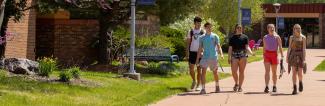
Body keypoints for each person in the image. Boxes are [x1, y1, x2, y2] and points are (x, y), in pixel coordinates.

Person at [196, 22, 223, 94]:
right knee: (203, 72)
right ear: (205, 28)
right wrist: (197, 59)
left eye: (210, 27)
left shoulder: (215, 36)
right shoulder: (201, 37)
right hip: (205, 57)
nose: (209, 28)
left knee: (215, 72)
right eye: (208, 27)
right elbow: (199, 48)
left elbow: (218, 46)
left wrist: (221, 54)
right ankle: (203, 89)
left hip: (213, 57)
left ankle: (217, 86)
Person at [228, 24, 254, 92]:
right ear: (235, 29)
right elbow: (230, 48)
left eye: (240, 28)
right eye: (238, 28)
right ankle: (236, 83)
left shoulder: (245, 37)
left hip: (243, 55)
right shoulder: (232, 38)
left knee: (241, 72)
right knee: (233, 72)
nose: (239, 29)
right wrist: (229, 57)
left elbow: (247, 47)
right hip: (234, 55)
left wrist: (251, 52)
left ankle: (240, 86)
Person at [263, 24, 284, 93]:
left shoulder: (277, 37)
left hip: (274, 55)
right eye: (270, 28)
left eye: (273, 28)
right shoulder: (265, 37)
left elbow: (280, 47)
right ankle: (266, 86)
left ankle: (274, 86)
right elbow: (264, 47)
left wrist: (282, 56)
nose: (272, 29)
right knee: (267, 71)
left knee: (274, 72)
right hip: (267, 55)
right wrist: (264, 55)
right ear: (268, 29)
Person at [287, 24, 306, 95]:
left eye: (299, 28)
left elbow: (304, 49)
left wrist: (304, 59)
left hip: (300, 55)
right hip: (293, 56)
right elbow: (289, 48)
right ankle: (294, 87)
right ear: (294, 29)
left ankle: (300, 82)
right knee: (294, 72)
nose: (298, 29)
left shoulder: (303, 37)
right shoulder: (291, 37)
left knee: (300, 73)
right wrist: (287, 57)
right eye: (296, 28)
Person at [186, 16, 204, 91]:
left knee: (199, 69)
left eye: (200, 23)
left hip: (200, 53)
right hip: (192, 52)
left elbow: (204, 42)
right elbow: (187, 43)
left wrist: (203, 51)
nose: (199, 24)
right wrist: (187, 53)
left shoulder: (203, 32)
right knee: (191, 69)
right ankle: (194, 80)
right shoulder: (191, 31)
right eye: (197, 23)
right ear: (194, 23)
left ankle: (198, 85)